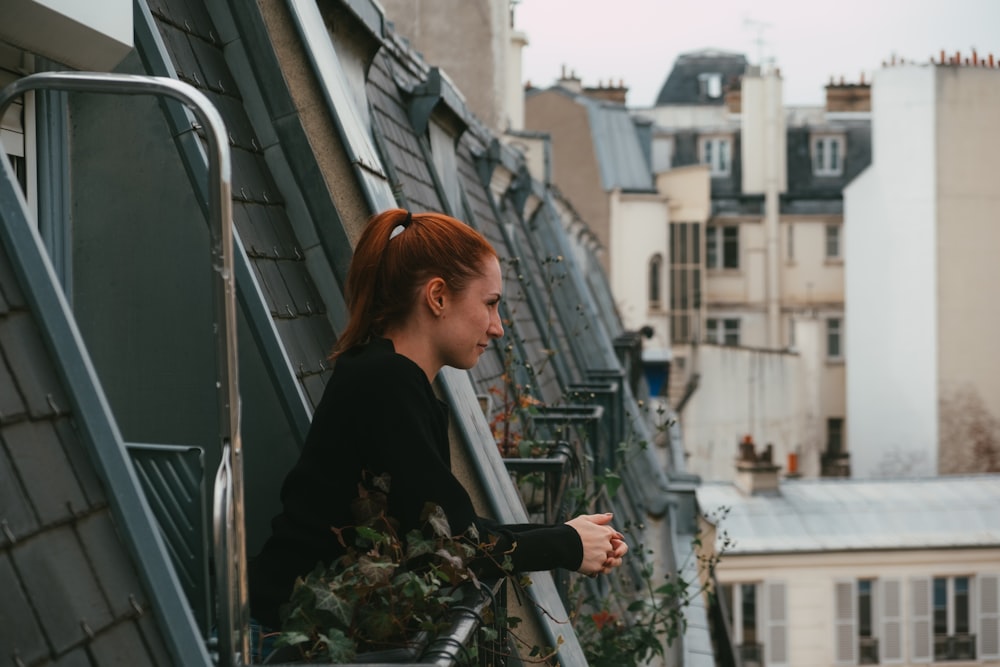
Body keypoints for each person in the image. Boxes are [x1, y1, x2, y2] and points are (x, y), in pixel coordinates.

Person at [248, 208, 628, 631]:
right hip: (282, 641)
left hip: (287, 631)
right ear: (438, 297)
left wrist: (568, 535)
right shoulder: (387, 383)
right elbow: (451, 546)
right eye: (490, 304)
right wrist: (566, 544)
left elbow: (452, 530)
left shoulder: (388, 377)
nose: (498, 328)